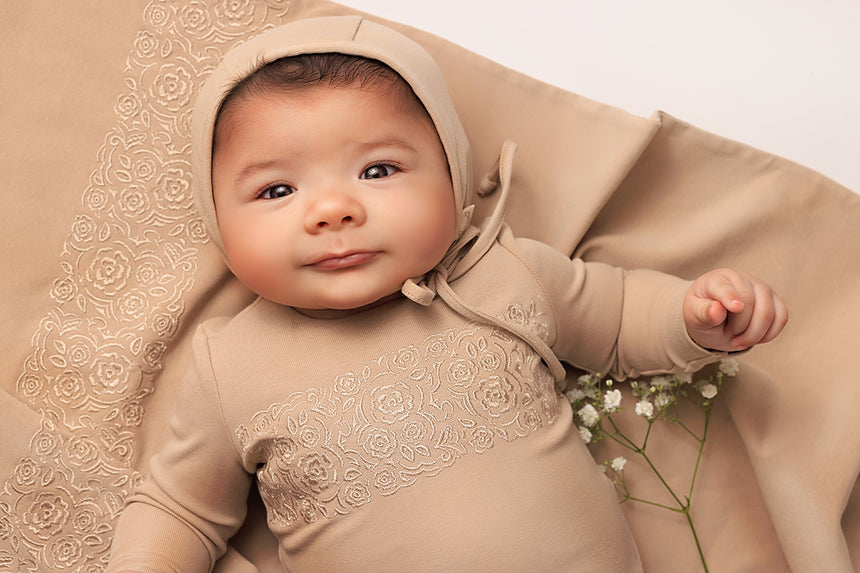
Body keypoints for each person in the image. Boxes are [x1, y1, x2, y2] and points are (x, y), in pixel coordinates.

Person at [107, 15, 787, 573]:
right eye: (277, 190)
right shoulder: (232, 364)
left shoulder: (502, 273)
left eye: (378, 169)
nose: (333, 209)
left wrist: (694, 316)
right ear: (218, 220)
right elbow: (181, 507)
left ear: (452, 173)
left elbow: (614, 319)